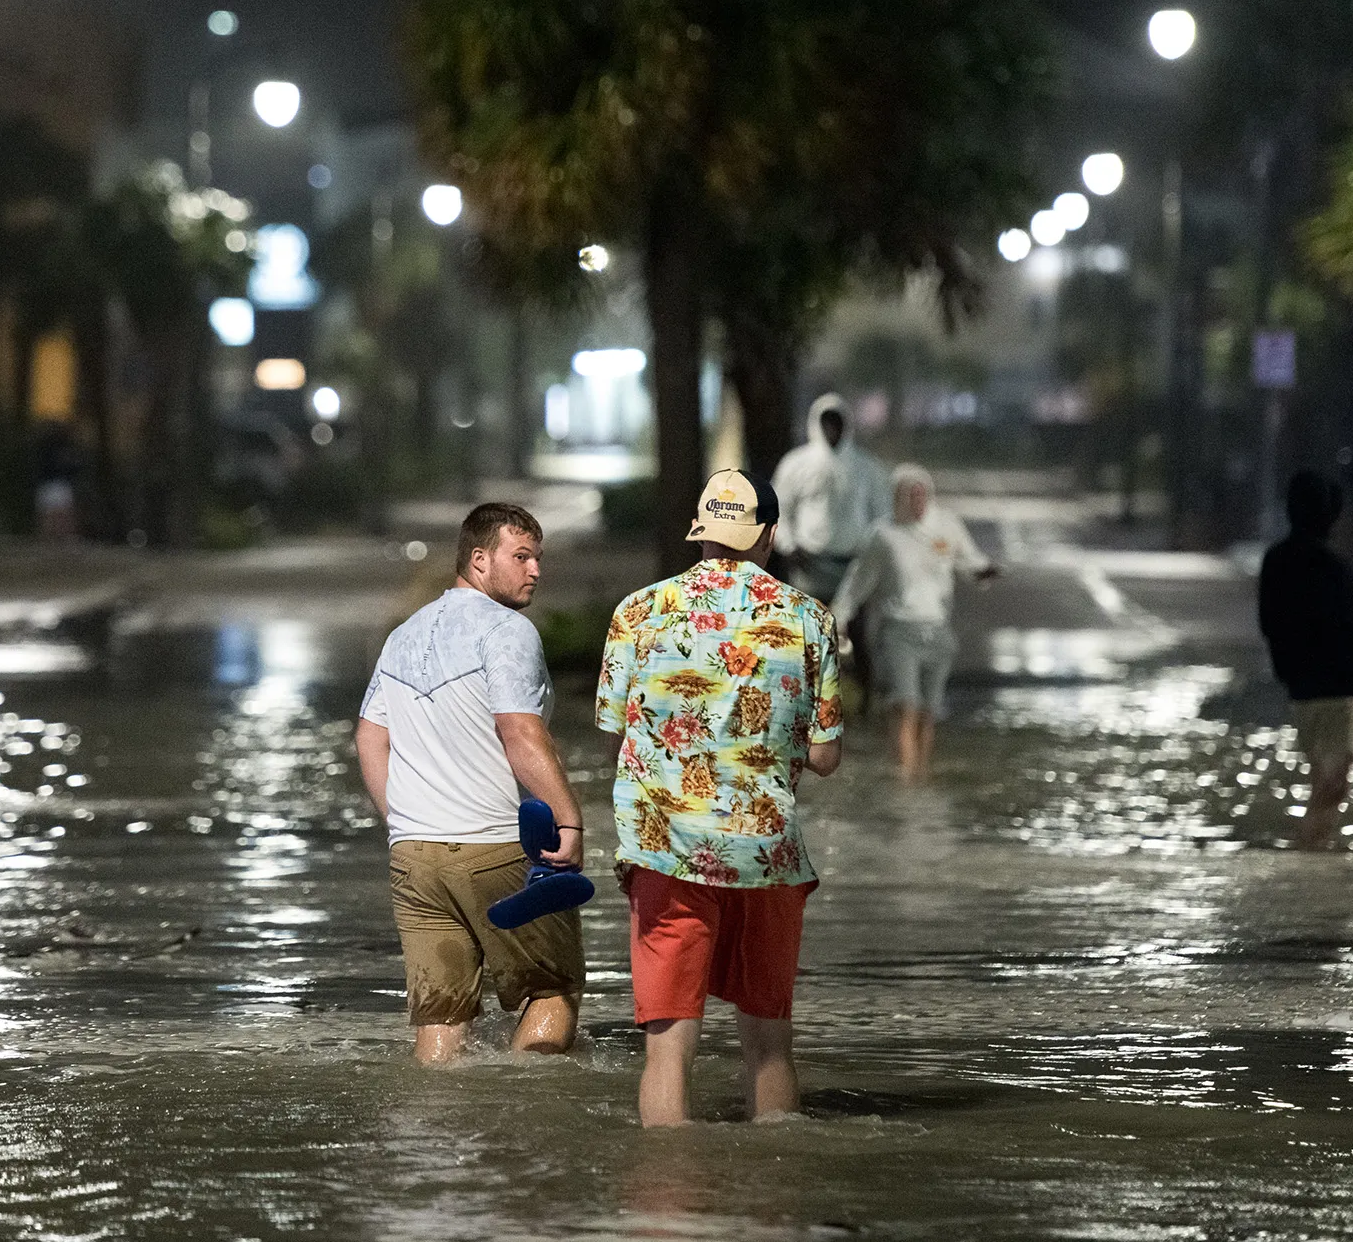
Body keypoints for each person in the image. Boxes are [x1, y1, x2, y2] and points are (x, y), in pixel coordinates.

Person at [596, 468, 843, 1126]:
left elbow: (612, 726)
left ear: (702, 529)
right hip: (768, 854)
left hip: (666, 852)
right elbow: (823, 757)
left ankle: (668, 1207)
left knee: (667, 1055)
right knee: (769, 1048)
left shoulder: (637, 611)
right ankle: (771, 1202)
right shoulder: (810, 619)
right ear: (768, 534)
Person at [355, 502, 586, 1064]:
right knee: (551, 990)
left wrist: (404, 822)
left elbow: (368, 736)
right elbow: (520, 733)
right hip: (495, 847)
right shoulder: (508, 630)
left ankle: (434, 1136)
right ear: (480, 561)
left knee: (442, 1015)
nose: (536, 570)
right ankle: (524, 1127)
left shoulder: (404, 635)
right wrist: (569, 818)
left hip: (415, 858)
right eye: (522, 557)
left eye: (538, 558)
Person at [1257, 470, 1353, 849]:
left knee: (1324, 778)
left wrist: (1286, 671)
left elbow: (1269, 624)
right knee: (1332, 784)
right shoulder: (1337, 570)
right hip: (1343, 692)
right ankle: (1307, 852)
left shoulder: (1275, 562)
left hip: (1303, 692)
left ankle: (1319, 851)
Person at [832, 464, 996, 781]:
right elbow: (858, 581)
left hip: (937, 631)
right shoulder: (884, 535)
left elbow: (969, 560)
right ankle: (906, 778)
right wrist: (838, 615)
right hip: (898, 632)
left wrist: (984, 570)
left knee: (927, 712)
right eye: (910, 494)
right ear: (897, 497)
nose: (917, 501)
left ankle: (921, 770)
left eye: (922, 494)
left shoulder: (946, 527)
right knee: (906, 704)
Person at [771, 392, 891, 610]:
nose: (832, 429)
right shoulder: (795, 464)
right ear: (816, 423)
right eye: (826, 423)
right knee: (808, 631)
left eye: (837, 423)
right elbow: (777, 507)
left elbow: (882, 512)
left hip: (854, 566)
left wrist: (874, 552)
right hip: (810, 565)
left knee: (852, 633)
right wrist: (788, 546)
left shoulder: (866, 467)